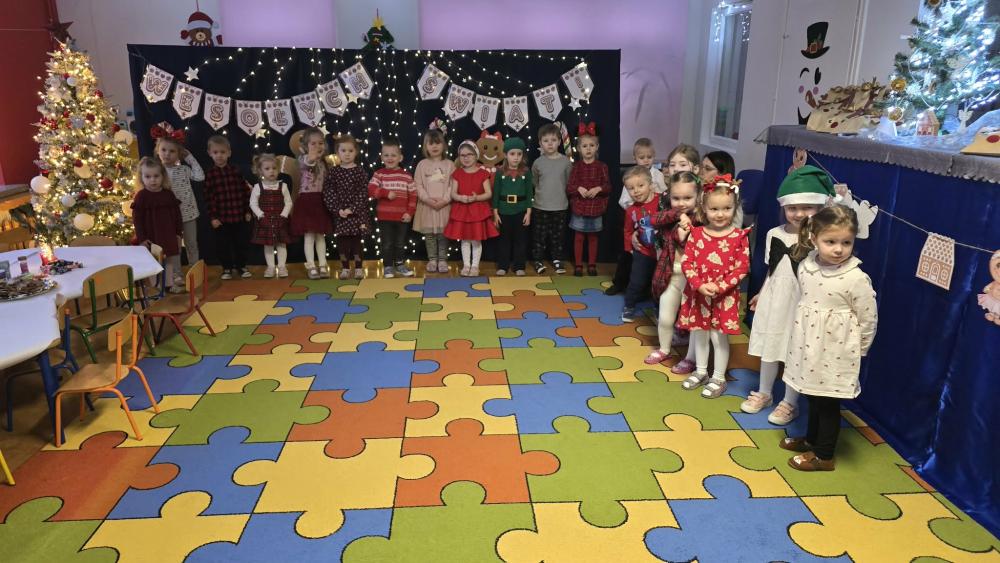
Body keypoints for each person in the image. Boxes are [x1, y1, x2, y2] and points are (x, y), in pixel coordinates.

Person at [781, 205, 877, 471]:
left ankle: (824, 455)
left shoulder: (855, 277)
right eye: (830, 242)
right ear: (814, 238)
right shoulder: (807, 266)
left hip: (836, 351)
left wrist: (861, 349)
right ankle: (811, 440)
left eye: (846, 242)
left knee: (827, 403)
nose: (838, 249)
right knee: (812, 395)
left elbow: (868, 317)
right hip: (809, 346)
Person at [742, 165, 832, 425]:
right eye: (792, 208)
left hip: (801, 302)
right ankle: (764, 392)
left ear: (820, 208)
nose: (799, 213)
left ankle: (789, 402)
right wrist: (761, 293)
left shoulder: (820, 239)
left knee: (795, 350)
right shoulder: (774, 234)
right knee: (770, 346)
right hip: (775, 299)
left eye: (807, 207)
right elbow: (773, 269)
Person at [677, 176, 749, 398]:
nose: (720, 214)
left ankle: (718, 377)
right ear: (704, 209)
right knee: (699, 334)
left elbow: (742, 268)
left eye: (727, 208)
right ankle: (700, 371)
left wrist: (720, 287)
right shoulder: (696, 234)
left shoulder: (739, 237)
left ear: (735, 208)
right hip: (699, 295)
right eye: (714, 209)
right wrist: (699, 285)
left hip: (724, 297)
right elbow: (687, 263)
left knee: (719, 338)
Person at [607, 142, 698, 296]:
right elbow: (657, 214)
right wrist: (639, 227)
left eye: (682, 164)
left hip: (684, 248)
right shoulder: (664, 194)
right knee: (637, 263)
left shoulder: (696, 193)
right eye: (672, 165)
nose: (676, 169)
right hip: (654, 237)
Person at [645, 171, 702, 366]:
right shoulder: (669, 215)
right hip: (671, 274)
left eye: (687, 198)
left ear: (698, 197)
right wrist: (678, 214)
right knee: (665, 317)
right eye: (676, 198)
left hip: (693, 278)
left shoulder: (702, 218)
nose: (682, 203)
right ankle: (664, 349)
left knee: (694, 321)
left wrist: (686, 230)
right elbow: (654, 219)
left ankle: (691, 358)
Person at [444, 140, 498, 277]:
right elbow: (453, 193)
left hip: (477, 211)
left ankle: (475, 266)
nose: (466, 158)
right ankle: (466, 265)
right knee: (465, 240)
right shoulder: (457, 174)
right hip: (462, 210)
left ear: (476, 155)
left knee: (476, 240)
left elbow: (488, 193)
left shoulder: (482, 173)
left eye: (469, 154)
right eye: (462, 155)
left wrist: (476, 198)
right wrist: (460, 197)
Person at [131, 157, 185, 293]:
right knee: (154, 261)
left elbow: (177, 216)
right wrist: (142, 238)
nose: (152, 180)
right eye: (148, 177)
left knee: (169, 261)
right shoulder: (141, 196)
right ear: (142, 178)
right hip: (151, 237)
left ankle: (168, 285)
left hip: (168, 235)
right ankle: (156, 287)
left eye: (156, 176)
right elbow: (137, 220)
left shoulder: (168, 195)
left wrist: (178, 234)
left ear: (162, 176)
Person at [153, 127, 204, 269]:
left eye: (172, 151)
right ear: (158, 151)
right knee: (173, 246)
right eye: (164, 150)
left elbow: (200, 176)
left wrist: (189, 157)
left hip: (189, 213)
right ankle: (176, 274)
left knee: (191, 243)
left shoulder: (184, 169)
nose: (167, 154)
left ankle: (195, 270)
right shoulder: (157, 171)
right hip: (169, 216)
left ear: (179, 154)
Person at [203, 135, 251, 280]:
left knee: (240, 243)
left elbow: (245, 192)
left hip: (238, 214)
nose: (219, 155)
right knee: (223, 245)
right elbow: (209, 198)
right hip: (221, 218)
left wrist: (247, 210)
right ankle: (226, 268)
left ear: (229, 153)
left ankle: (241, 266)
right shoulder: (210, 174)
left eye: (222, 152)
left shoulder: (236, 171)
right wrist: (213, 217)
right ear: (210, 153)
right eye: (215, 152)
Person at [368, 139, 417, 278]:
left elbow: (413, 195)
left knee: (400, 243)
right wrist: (385, 193)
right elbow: (370, 189)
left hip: (402, 217)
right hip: (384, 218)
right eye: (386, 155)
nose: (390, 158)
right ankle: (388, 266)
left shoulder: (406, 176)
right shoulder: (379, 174)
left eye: (393, 155)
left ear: (400, 158)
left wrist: (410, 213)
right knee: (387, 243)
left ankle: (400, 265)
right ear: (382, 157)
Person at [291, 127, 335, 279]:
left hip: (320, 200)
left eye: (320, 143)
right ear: (305, 146)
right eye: (313, 143)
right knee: (309, 236)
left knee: (320, 236)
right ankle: (311, 265)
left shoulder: (324, 162)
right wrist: (312, 156)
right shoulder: (303, 159)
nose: (317, 146)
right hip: (307, 201)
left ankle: (323, 264)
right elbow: (308, 163)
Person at [324, 135, 370, 280]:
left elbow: (363, 193)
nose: (347, 154)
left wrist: (352, 209)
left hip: (356, 215)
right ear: (337, 152)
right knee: (342, 244)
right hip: (341, 215)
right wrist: (338, 210)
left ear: (356, 152)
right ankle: (345, 268)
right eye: (343, 150)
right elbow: (329, 192)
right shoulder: (333, 172)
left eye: (350, 150)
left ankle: (358, 268)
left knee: (356, 243)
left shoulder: (360, 171)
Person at [566, 124, 610, 276]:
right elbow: (569, 187)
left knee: (593, 237)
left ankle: (592, 264)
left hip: (595, 208)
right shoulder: (576, 167)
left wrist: (598, 189)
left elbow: (608, 186)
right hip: (579, 207)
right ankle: (578, 265)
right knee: (579, 237)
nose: (588, 149)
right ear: (579, 148)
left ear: (597, 147)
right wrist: (579, 188)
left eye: (591, 145)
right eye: (585, 146)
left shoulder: (602, 166)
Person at [531, 123, 572, 274]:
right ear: (540, 143)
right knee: (539, 236)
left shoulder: (566, 162)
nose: (550, 144)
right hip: (540, 206)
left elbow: (568, 183)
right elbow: (535, 182)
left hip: (560, 206)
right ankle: (538, 260)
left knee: (558, 236)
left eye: (553, 140)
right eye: (546, 140)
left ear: (559, 142)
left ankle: (557, 259)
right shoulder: (538, 162)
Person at [413, 127, 455, 274]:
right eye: (431, 143)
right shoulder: (422, 165)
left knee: (443, 235)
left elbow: (453, 185)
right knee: (430, 235)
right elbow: (418, 184)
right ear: (426, 147)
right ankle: (432, 260)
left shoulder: (450, 165)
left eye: (438, 143)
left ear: (444, 145)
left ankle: (442, 260)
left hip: (444, 206)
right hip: (427, 206)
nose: (435, 146)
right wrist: (427, 199)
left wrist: (444, 200)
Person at [620, 166, 659, 323]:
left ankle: (659, 309)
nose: (636, 191)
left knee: (659, 283)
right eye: (631, 188)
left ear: (650, 184)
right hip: (642, 252)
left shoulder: (662, 201)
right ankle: (629, 306)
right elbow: (627, 231)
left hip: (662, 253)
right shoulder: (631, 210)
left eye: (640, 185)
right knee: (637, 281)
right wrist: (629, 248)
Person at [492, 137, 533, 276]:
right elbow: (496, 193)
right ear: (505, 155)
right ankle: (503, 265)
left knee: (520, 240)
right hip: (504, 210)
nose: (516, 157)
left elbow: (529, 193)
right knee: (504, 240)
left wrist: (528, 213)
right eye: (512, 154)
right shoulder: (499, 172)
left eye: (519, 154)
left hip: (520, 210)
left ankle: (519, 265)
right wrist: (495, 213)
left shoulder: (526, 172)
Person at [249, 153, 292, 278]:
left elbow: (288, 202)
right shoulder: (258, 187)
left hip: (280, 219)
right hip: (265, 220)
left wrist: (284, 215)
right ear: (260, 171)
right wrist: (260, 215)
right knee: (268, 245)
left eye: (274, 168)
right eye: (267, 169)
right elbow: (253, 203)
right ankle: (271, 267)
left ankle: (282, 266)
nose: (271, 171)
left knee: (281, 244)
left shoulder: (283, 186)